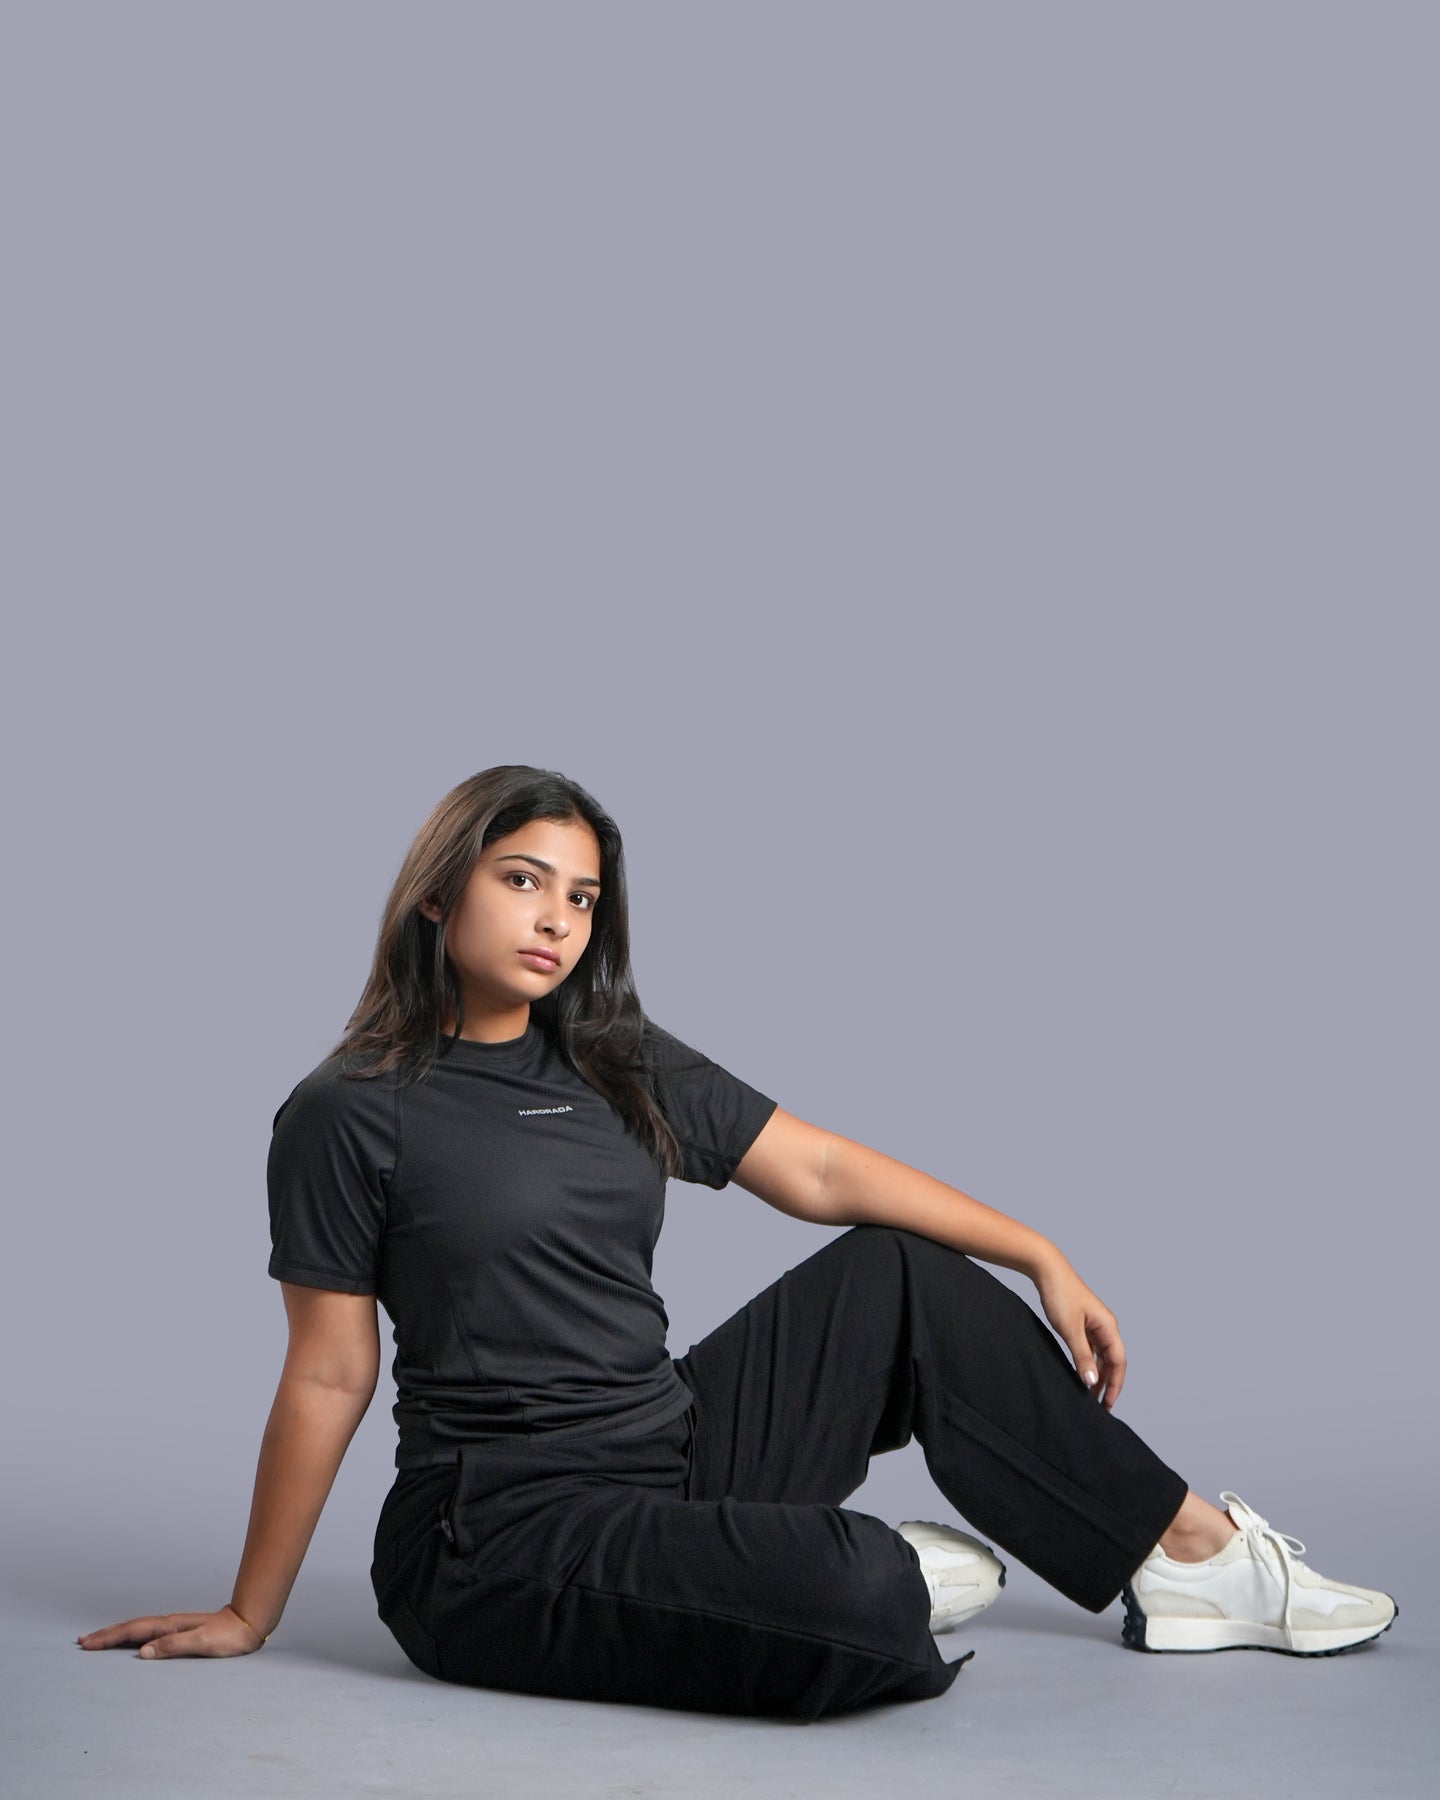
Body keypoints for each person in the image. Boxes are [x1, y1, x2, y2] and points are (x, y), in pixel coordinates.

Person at [75, 765, 1397, 1721]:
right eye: (522, 881)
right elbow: (329, 1370)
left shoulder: (613, 1055)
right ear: (437, 896)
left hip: (677, 1448)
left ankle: (1193, 1559)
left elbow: (817, 1171)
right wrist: (250, 1609)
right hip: (498, 1531)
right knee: (864, 1598)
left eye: (582, 897)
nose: (556, 920)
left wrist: (1037, 1249)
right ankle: (856, 1574)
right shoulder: (347, 1112)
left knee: (900, 1271)